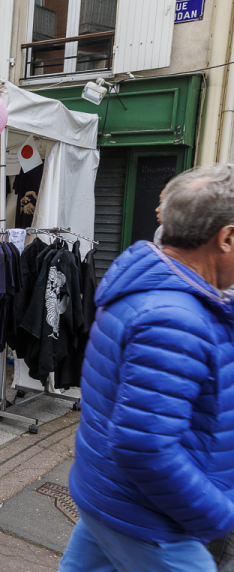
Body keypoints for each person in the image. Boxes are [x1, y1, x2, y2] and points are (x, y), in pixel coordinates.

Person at [59, 165, 234, 572]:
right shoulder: (175, 318)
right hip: (149, 520)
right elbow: (144, 446)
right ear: (224, 238)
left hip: (109, 495)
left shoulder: (146, 283)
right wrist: (218, 515)